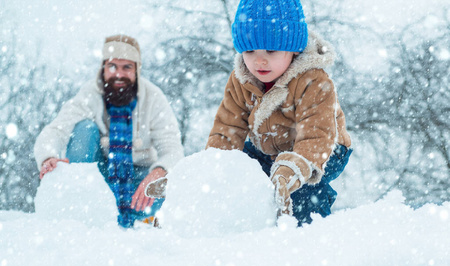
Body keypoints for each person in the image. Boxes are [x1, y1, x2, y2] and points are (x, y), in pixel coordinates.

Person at [206, 0, 353, 226]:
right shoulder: (241, 80)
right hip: (269, 148)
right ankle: (242, 226)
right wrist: (212, 170)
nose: (259, 60)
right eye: (250, 50)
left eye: (271, 50)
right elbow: (228, 129)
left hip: (324, 148)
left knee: (303, 193)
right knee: (239, 169)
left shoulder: (313, 80)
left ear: (292, 49)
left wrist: (295, 166)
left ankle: (310, 231)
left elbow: (317, 134)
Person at [34, 34, 184, 228]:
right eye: (112, 66)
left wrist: (159, 171)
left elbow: (173, 149)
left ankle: (144, 220)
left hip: (141, 178)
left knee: (170, 190)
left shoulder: (153, 97)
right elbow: (55, 130)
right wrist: (48, 157)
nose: (118, 74)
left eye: (126, 67)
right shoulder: (90, 94)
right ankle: (81, 206)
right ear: (103, 68)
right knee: (83, 129)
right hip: (99, 176)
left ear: (137, 70)